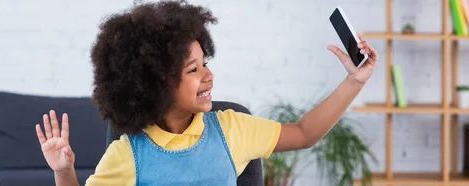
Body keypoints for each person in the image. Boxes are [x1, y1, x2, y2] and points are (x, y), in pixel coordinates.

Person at [34, 0, 378, 185]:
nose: (209, 76)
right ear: (158, 83)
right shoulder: (128, 155)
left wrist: (355, 81)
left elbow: (304, 133)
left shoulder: (232, 129)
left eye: (205, 63)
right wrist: (63, 172)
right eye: (193, 70)